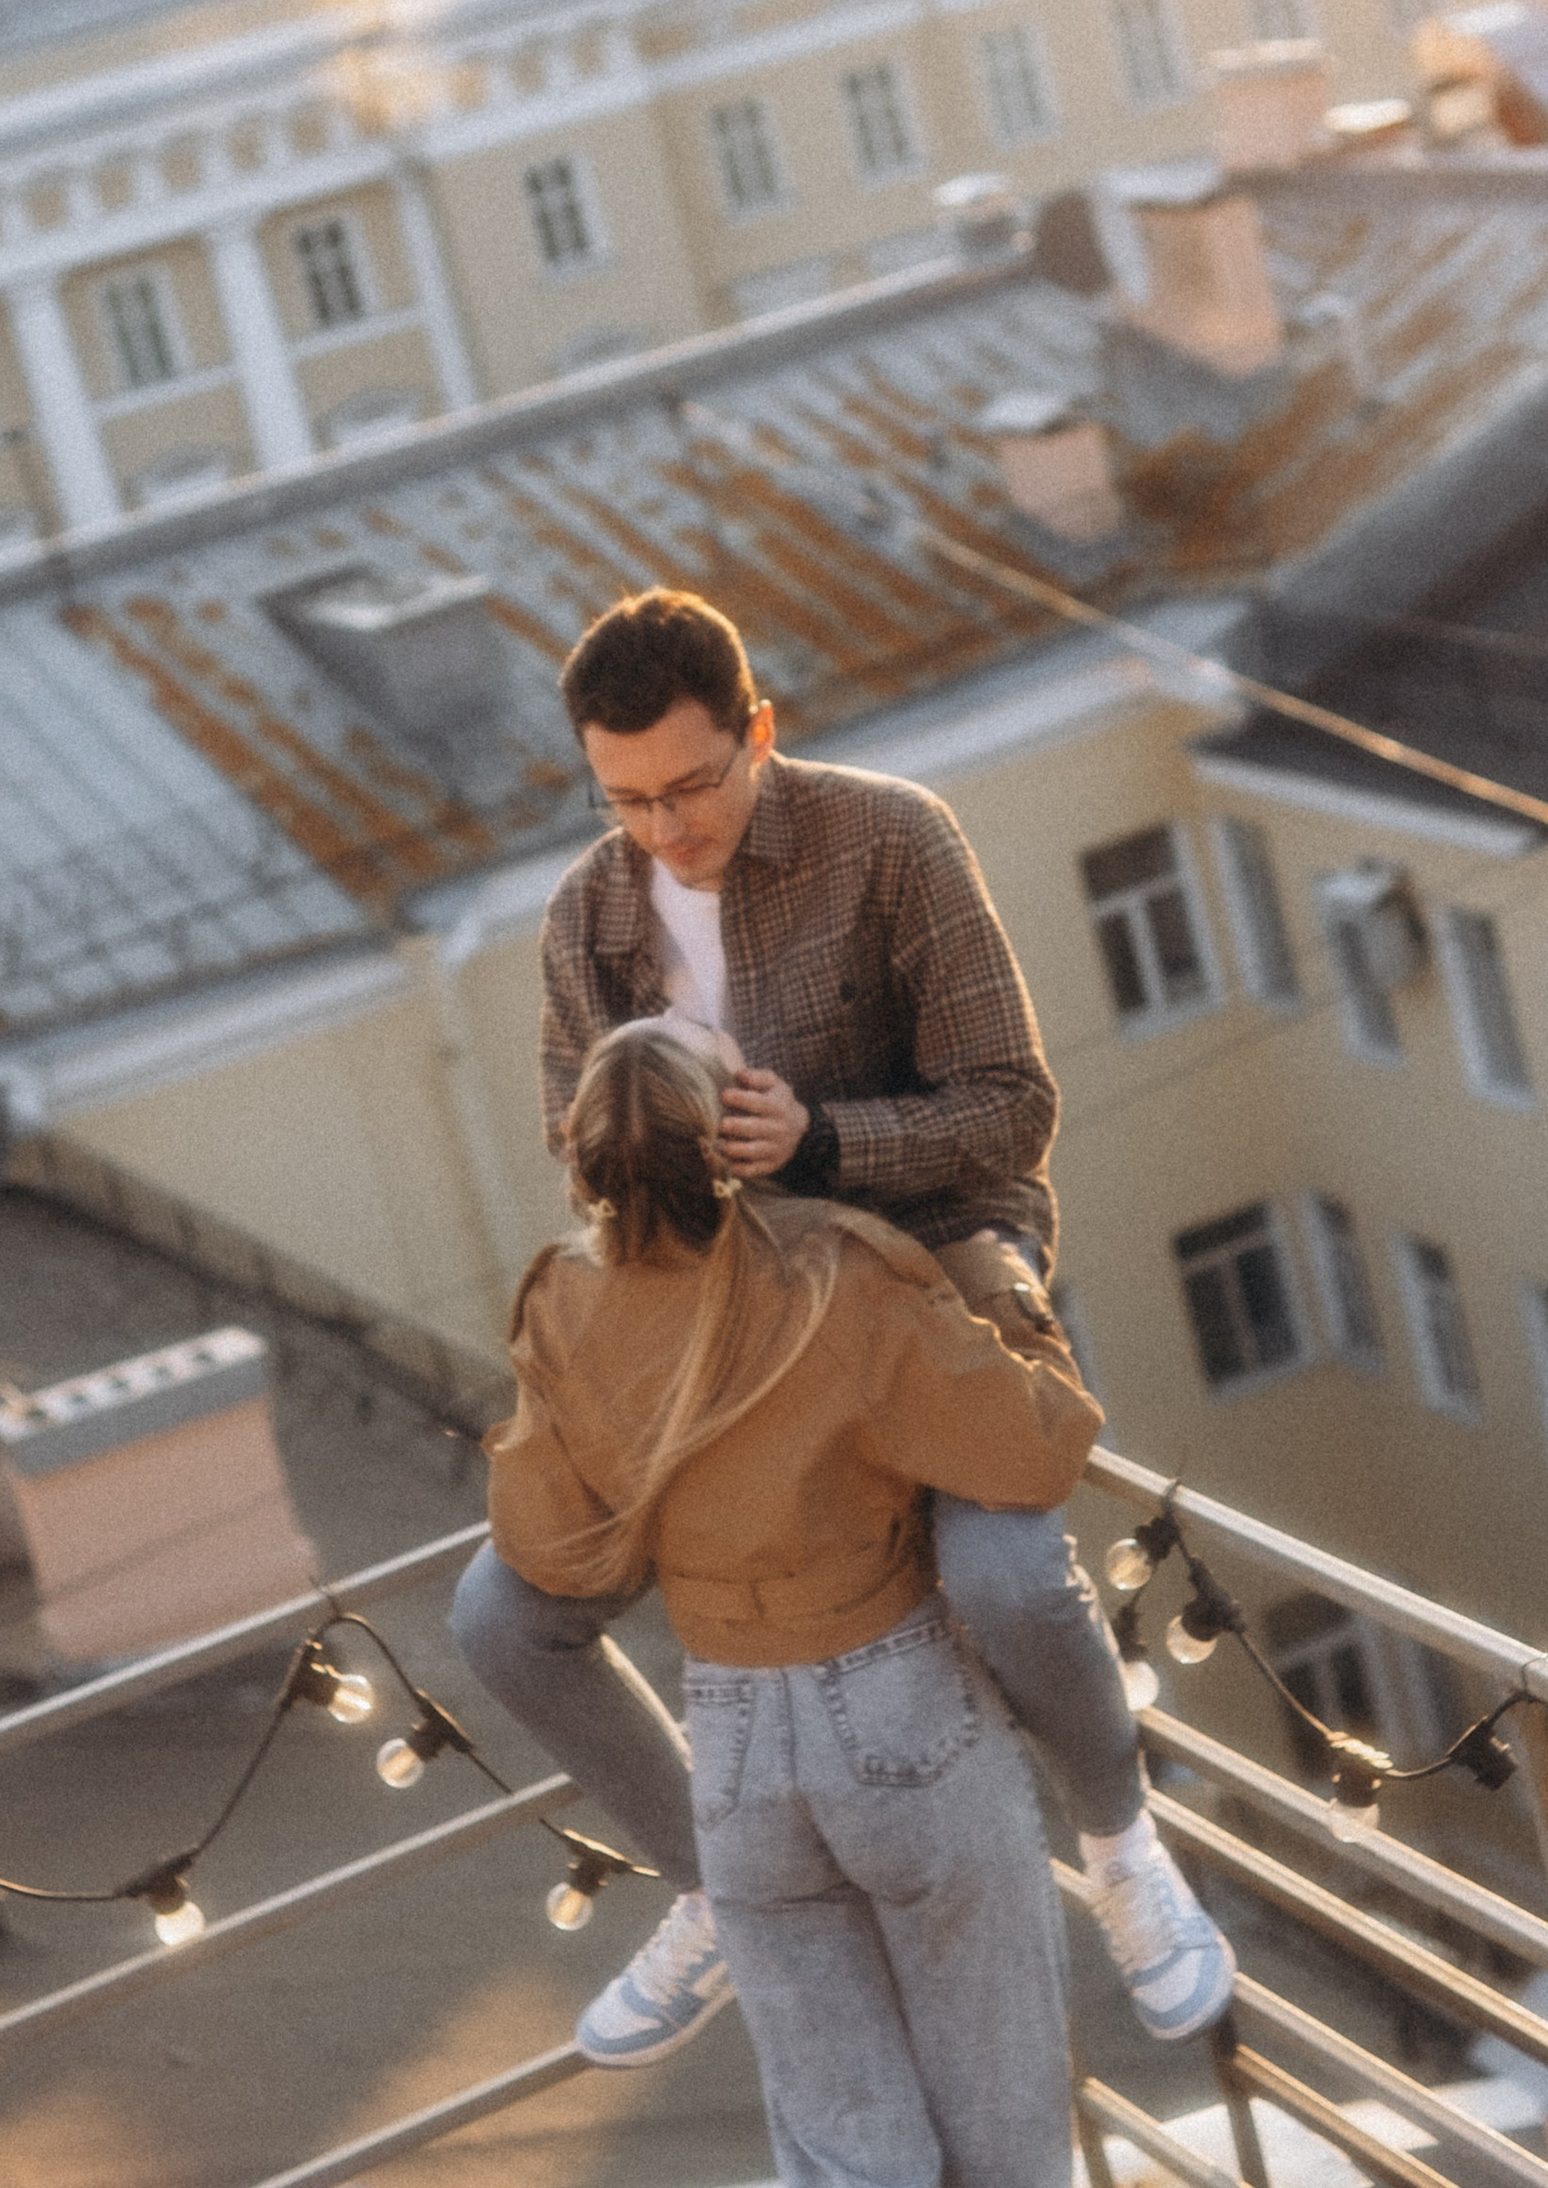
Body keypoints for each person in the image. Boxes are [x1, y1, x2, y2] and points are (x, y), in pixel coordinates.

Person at [484, 1019, 1164, 2188]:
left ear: (581, 1157)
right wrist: (1008, 1298)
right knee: (1000, 2128)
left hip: (732, 1751)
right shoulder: (840, 1273)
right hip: (904, 1726)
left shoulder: (560, 1306)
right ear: (736, 1136)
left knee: (857, 2186)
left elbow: (557, 1559)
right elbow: (1035, 1453)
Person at [452, 587, 1230, 2067]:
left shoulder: (893, 840)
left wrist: (818, 1141)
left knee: (1006, 1574)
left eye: (694, 786)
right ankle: (720, 1889)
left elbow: (1013, 1109)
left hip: (933, 1270)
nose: (668, 832)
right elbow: (583, 1149)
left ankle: (1128, 1849)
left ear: (759, 730)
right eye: (627, 801)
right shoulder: (589, 913)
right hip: (717, 1326)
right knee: (499, 1618)